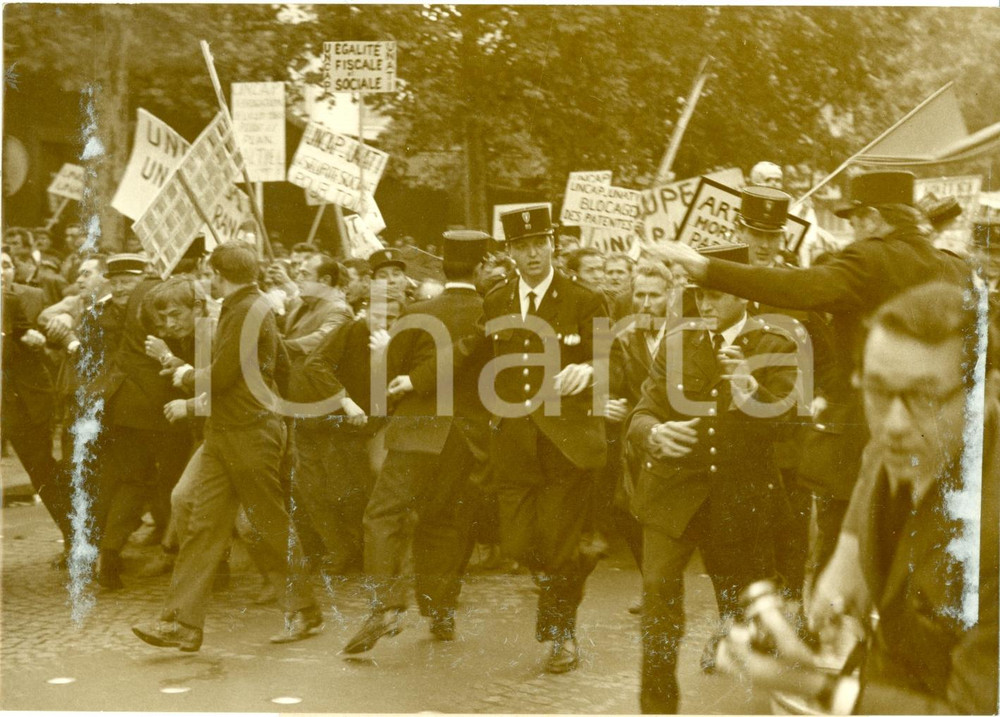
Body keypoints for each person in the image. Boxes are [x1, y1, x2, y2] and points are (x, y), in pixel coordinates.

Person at [650, 170, 969, 571]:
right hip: (940, 440)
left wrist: (704, 267)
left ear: (872, 218)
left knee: (839, 566)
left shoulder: (869, 258)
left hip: (859, 444)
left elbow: (800, 289)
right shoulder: (956, 269)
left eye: (855, 221)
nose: (854, 233)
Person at [717, 282, 998, 715]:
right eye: (877, 390)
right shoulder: (899, 445)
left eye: (925, 397)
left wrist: (814, 686)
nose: (894, 424)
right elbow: (844, 578)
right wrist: (817, 617)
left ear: (988, 393)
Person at [625, 243, 800, 714]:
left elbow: (789, 425)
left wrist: (751, 388)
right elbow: (643, 411)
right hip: (674, 490)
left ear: (742, 294)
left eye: (716, 295)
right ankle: (656, 706)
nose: (705, 305)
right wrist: (654, 433)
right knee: (658, 594)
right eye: (699, 296)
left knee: (748, 616)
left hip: (740, 495)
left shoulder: (776, 343)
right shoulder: (678, 342)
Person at [132, 243, 320, 651]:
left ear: (218, 273)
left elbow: (220, 377)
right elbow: (282, 367)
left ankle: (304, 609)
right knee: (203, 526)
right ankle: (182, 623)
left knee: (267, 524)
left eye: (210, 273)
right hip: (231, 432)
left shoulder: (246, 310)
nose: (208, 280)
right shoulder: (248, 308)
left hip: (246, 433)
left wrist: (183, 372)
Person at [342, 230, 492, 654]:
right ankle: (441, 609)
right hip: (467, 436)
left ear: (444, 266)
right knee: (445, 520)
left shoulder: (417, 312)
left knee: (383, 514)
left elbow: (390, 372)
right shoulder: (491, 313)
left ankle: (386, 606)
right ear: (481, 267)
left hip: (417, 431)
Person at [482, 205, 608, 673]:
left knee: (556, 543)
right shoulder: (496, 299)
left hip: (565, 441)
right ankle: (577, 560)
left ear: (553, 244)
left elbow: (610, 358)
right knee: (517, 543)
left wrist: (589, 370)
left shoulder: (584, 299)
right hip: (514, 441)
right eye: (522, 246)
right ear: (510, 252)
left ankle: (561, 635)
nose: (532, 254)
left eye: (540, 243)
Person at [283, 254, 353, 365]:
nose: (298, 279)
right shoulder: (299, 302)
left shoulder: (339, 309)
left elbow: (323, 339)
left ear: (325, 280)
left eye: (305, 274)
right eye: (299, 273)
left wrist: (279, 346)